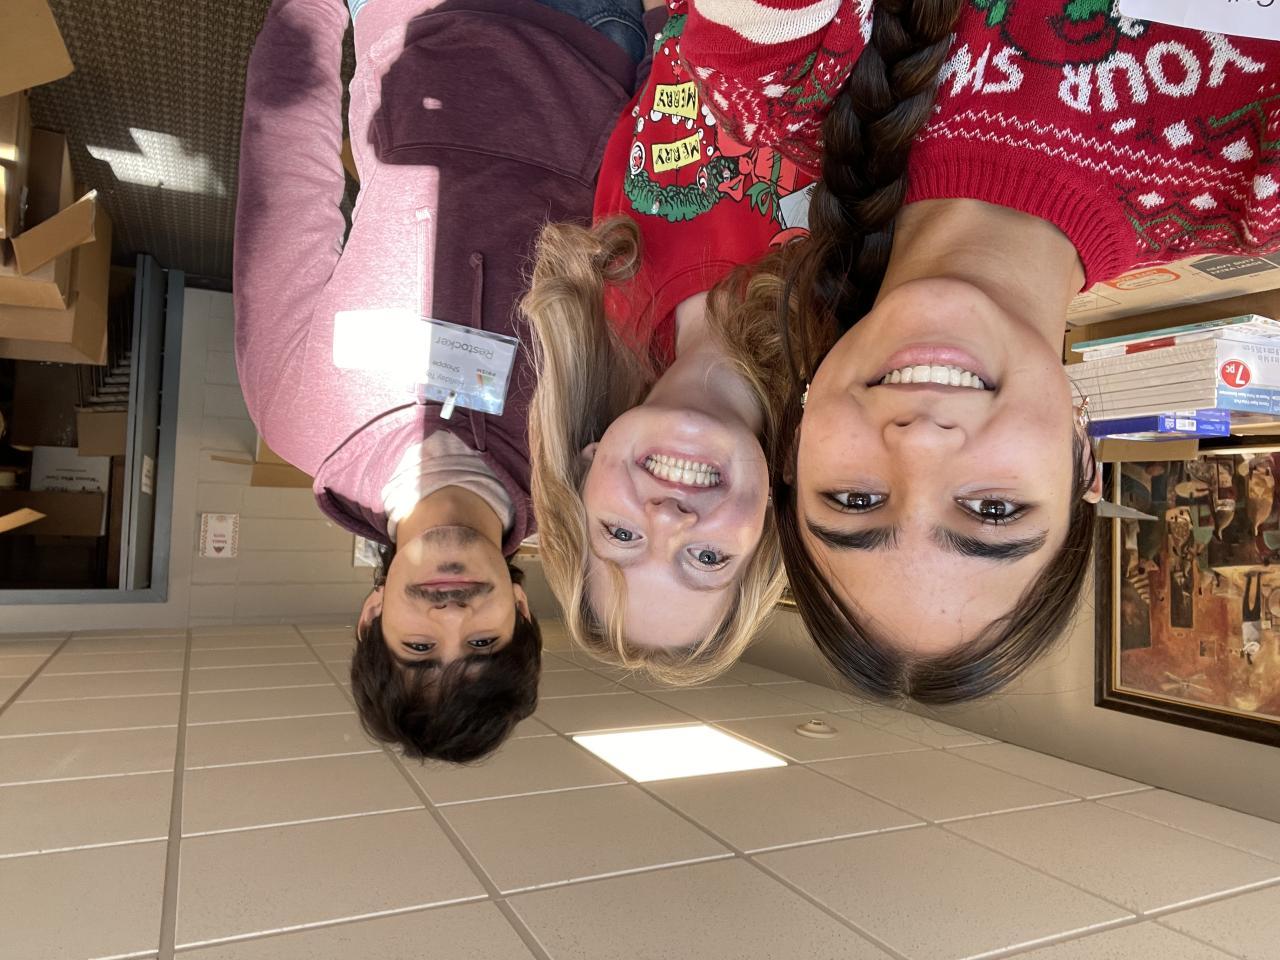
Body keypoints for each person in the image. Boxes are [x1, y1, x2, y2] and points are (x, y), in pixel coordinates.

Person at [679, 0, 1280, 700]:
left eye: (854, 498)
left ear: (794, 445)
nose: (920, 444)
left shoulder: (776, 85)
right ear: (1085, 463)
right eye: (994, 511)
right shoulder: (1260, 181)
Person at [234, 0, 639, 758]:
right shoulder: (586, 463)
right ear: (521, 611)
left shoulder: (294, 414)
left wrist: (310, 11)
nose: (451, 617)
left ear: (372, 617)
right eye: (482, 643)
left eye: (419, 650)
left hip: (415, 19)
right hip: (591, 40)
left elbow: (284, 170)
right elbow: (638, 258)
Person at [522, 0, 807, 681]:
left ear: (588, 468)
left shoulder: (613, 281)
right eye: (707, 559)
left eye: (620, 534)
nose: (669, 520)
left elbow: (669, 69)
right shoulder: (847, 324)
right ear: (767, 524)